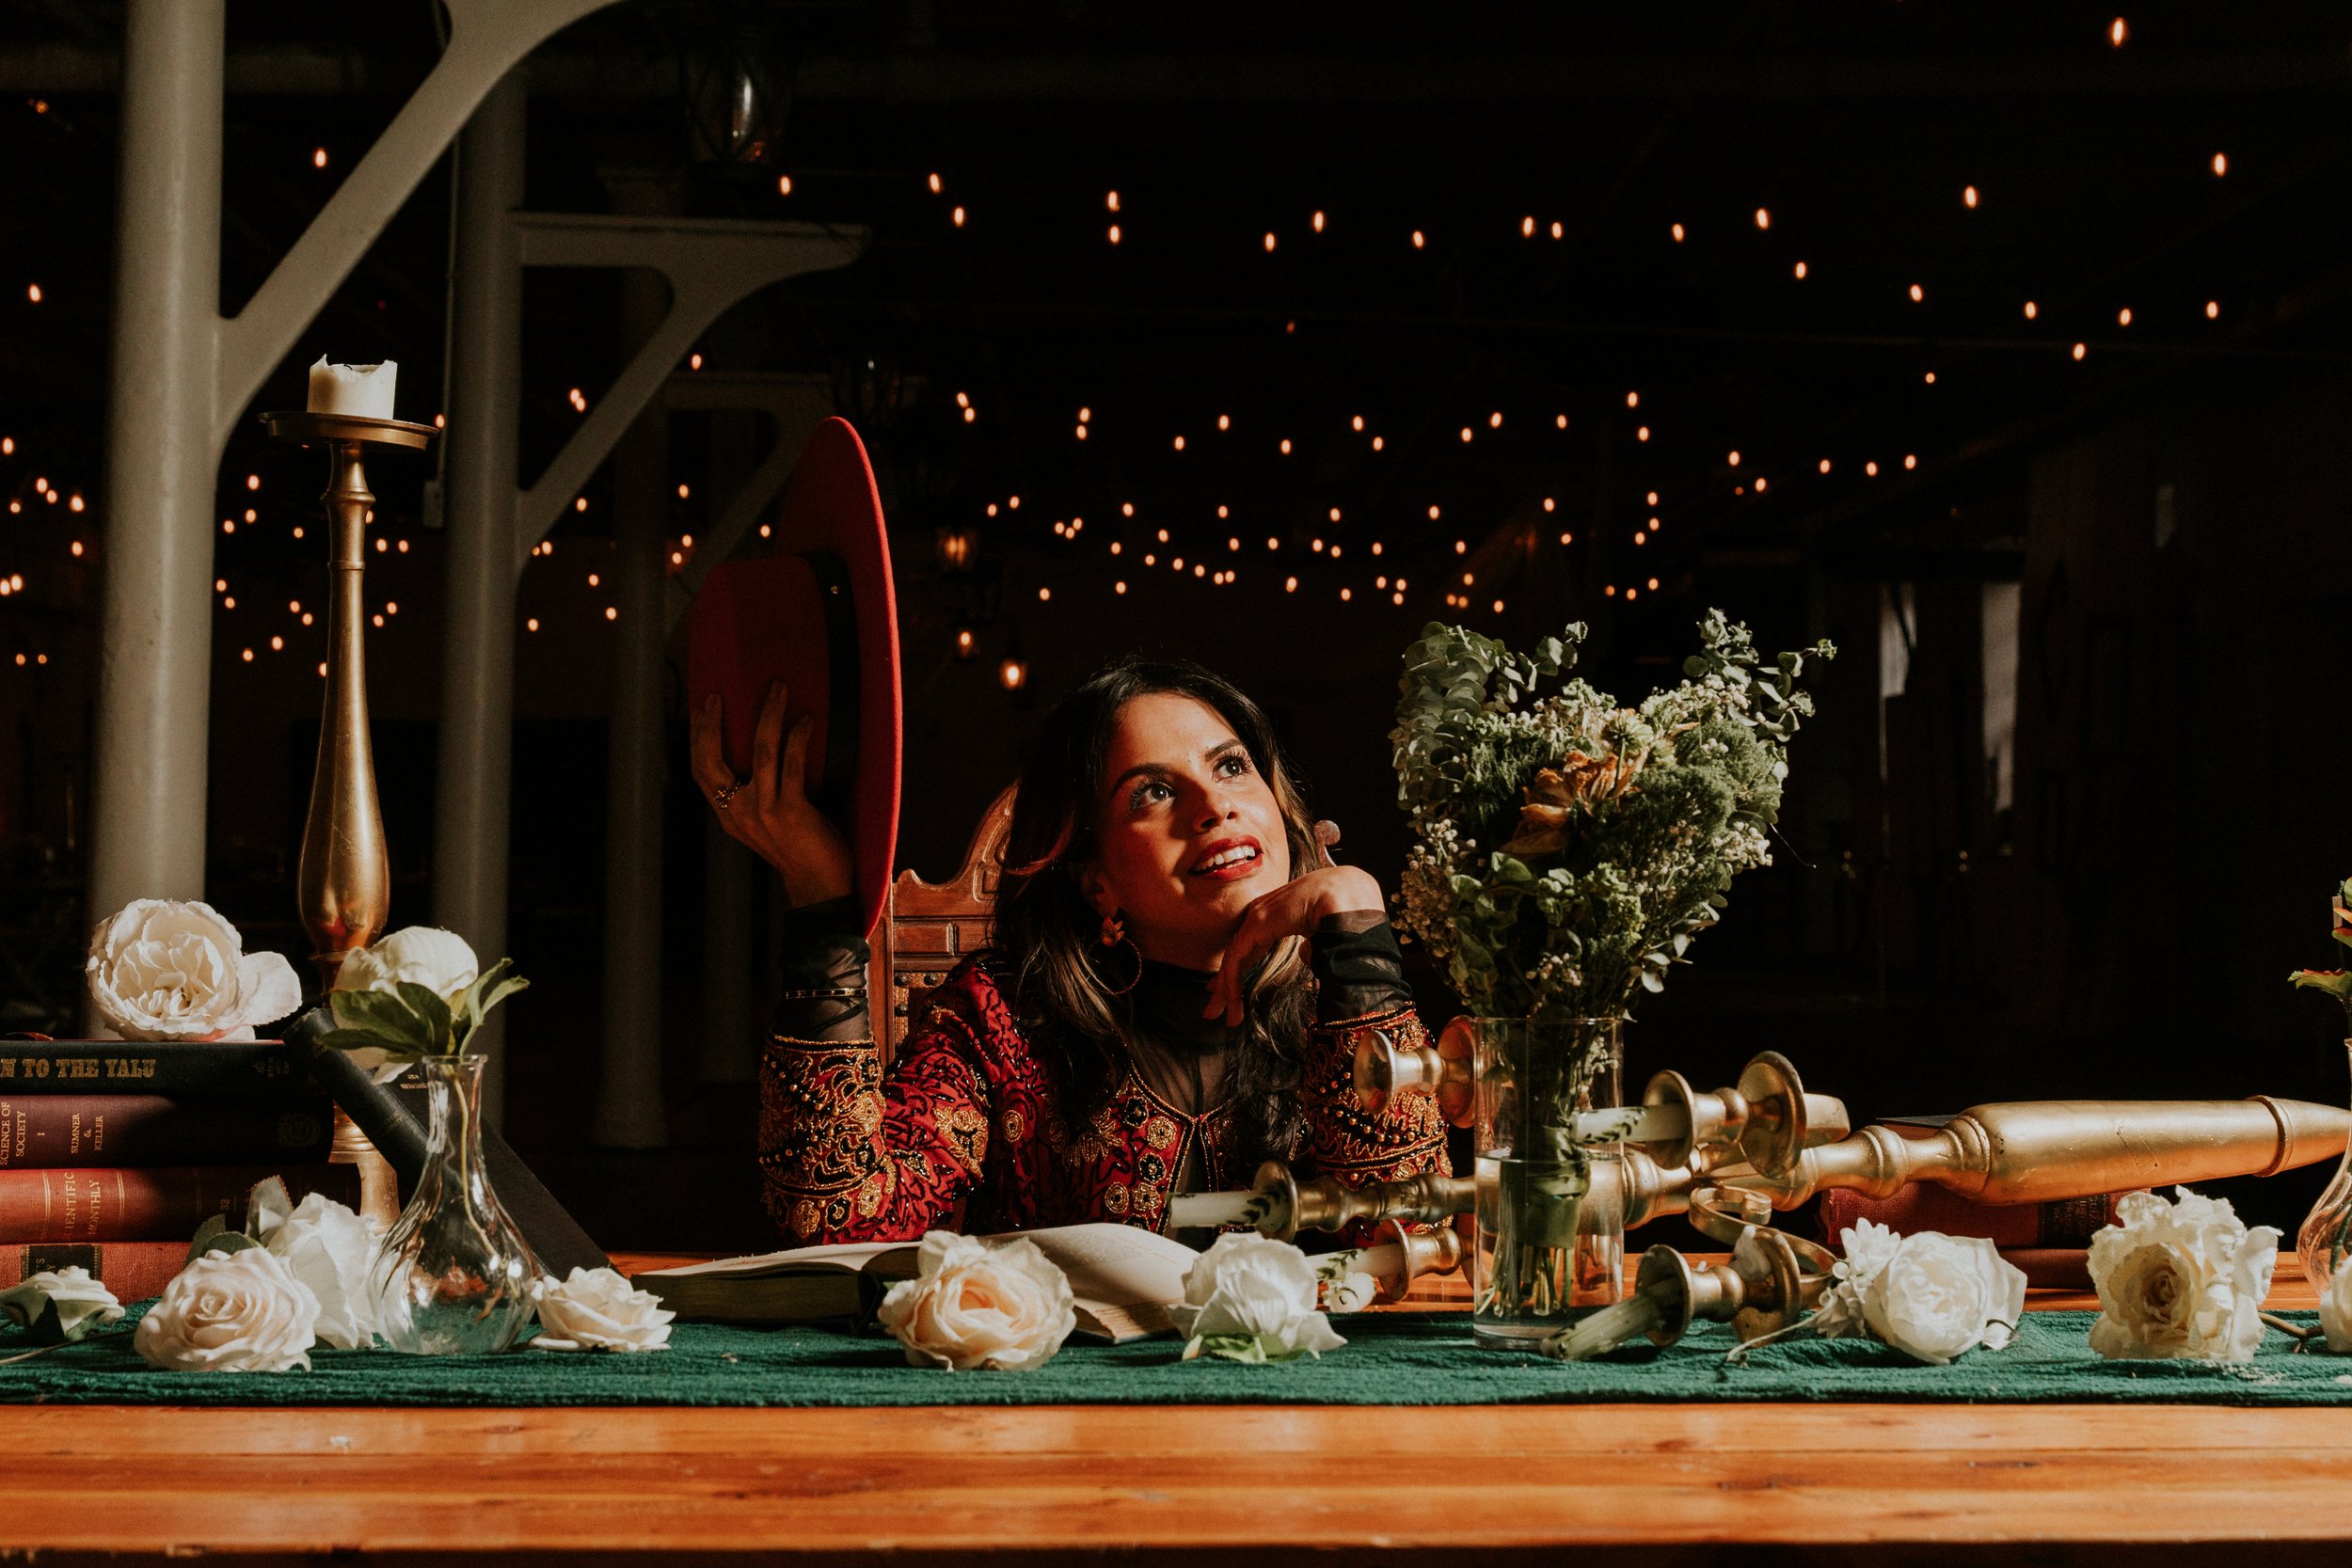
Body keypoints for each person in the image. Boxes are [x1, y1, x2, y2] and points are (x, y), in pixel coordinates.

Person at [690, 656, 1448, 1244]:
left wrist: (1357, 933)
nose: (1214, 805)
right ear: (1096, 884)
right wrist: (823, 903)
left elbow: (1409, 1234)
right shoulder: (1002, 1020)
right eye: (1152, 792)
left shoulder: (1339, 1010)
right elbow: (838, 1223)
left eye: (1230, 765)